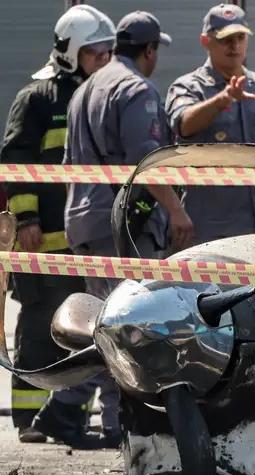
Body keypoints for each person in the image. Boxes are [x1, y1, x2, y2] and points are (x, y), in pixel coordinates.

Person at [57, 11, 194, 446]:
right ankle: (113, 421)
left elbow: (66, 165)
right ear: (149, 50)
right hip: (121, 226)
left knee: (104, 323)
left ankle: (75, 411)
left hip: (83, 218)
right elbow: (145, 160)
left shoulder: (84, 89)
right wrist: (175, 210)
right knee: (132, 327)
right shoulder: (136, 89)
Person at [0, 5, 116, 446]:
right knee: (37, 327)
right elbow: (14, 162)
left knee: (82, 329)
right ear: (69, 52)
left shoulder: (99, 97)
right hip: (40, 240)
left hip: (81, 243)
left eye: (106, 52)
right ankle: (29, 418)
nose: (101, 61)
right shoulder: (37, 98)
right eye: (93, 53)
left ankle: (68, 415)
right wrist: (26, 217)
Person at [165, 4, 255, 246]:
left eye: (240, 37)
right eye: (225, 39)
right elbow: (183, 124)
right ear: (205, 41)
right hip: (210, 236)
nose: (234, 46)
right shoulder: (188, 87)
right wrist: (223, 99)